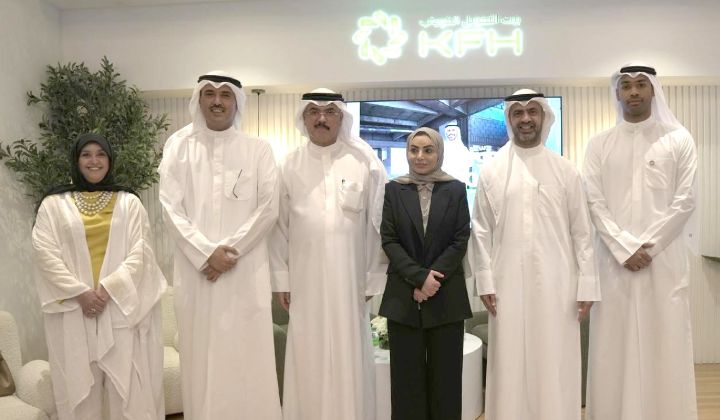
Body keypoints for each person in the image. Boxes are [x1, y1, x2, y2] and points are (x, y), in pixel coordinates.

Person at [470, 89, 600, 420]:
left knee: (555, 358)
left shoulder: (565, 170)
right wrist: (485, 281)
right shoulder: (492, 170)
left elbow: (582, 232)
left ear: (544, 116)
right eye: (518, 113)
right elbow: (481, 230)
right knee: (509, 359)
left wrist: (587, 285)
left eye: (532, 112)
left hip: (558, 284)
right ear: (509, 119)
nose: (525, 119)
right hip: (506, 285)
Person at [158, 71, 281, 420]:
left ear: (236, 102)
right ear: (198, 99)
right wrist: (205, 254)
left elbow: (269, 208)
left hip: (245, 274)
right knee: (200, 358)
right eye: (209, 93)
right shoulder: (178, 146)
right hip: (196, 274)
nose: (217, 101)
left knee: (247, 358)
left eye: (225, 94)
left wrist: (227, 253)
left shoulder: (258, 149)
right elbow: (169, 207)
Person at [583, 63, 698, 420]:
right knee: (612, 347)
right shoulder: (600, 144)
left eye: (641, 85)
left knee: (665, 343)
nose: (633, 92)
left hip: (663, 263)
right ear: (617, 93)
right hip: (613, 264)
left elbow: (686, 200)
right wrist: (623, 248)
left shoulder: (678, 139)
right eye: (626, 85)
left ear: (653, 90)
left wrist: (648, 248)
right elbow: (593, 201)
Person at [270, 88, 387, 420]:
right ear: (303, 118)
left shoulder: (364, 161)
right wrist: (281, 279)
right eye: (313, 111)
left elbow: (378, 224)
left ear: (341, 117)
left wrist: (371, 278)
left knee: (350, 352)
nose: (321, 118)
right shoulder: (288, 164)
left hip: (350, 280)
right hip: (304, 280)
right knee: (308, 353)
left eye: (329, 112)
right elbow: (278, 227)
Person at [32, 133, 167, 420]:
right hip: (73, 309)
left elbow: (141, 251)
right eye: (86, 154)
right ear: (76, 160)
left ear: (110, 159)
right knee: (78, 393)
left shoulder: (129, 202)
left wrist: (107, 290)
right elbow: (44, 253)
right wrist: (81, 293)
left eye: (100, 154)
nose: (94, 161)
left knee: (127, 391)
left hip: (119, 308)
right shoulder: (53, 204)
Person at [379, 127, 472, 420]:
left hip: (446, 299)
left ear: (439, 153)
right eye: (414, 149)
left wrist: (433, 279)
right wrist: (420, 279)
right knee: (406, 385)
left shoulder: (455, 189)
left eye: (428, 150)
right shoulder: (394, 189)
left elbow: (460, 238)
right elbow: (389, 239)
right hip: (404, 299)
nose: (420, 156)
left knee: (446, 385)